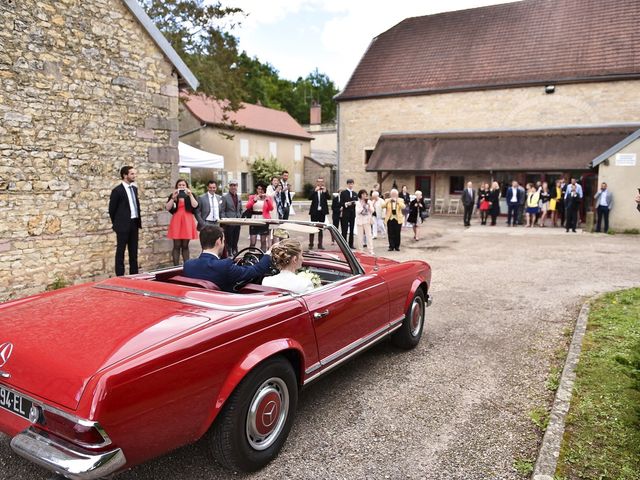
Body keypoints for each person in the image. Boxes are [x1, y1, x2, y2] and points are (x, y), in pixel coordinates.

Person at [183, 225, 272, 292]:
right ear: (218, 241)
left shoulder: (188, 265)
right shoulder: (224, 266)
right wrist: (269, 253)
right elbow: (256, 270)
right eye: (224, 241)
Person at [109, 166, 141, 276]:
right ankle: (120, 276)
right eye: (132, 174)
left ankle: (134, 275)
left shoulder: (134, 189)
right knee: (120, 252)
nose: (134, 176)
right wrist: (117, 224)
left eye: (134, 173)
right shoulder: (117, 191)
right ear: (125, 175)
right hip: (122, 225)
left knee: (133, 252)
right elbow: (112, 210)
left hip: (134, 223)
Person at [166, 179, 199, 265]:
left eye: (183, 185)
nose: (181, 186)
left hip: (187, 220)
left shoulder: (190, 195)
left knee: (185, 246)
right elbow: (168, 207)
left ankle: (186, 266)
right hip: (177, 220)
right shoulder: (173, 195)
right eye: (179, 185)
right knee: (176, 245)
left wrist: (190, 195)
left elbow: (195, 205)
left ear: (187, 186)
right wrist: (173, 198)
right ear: (177, 186)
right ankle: (175, 267)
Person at [246, 183, 274, 250]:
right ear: (256, 189)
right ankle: (251, 255)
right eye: (259, 189)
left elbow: (271, 208)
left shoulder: (268, 197)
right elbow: (248, 206)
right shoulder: (252, 197)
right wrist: (254, 200)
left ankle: (262, 257)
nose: (260, 191)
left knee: (263, 241)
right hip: (254, 219)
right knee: (253, 241)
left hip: (263, 219)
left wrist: (267, 199)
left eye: (261, 189)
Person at [220, 179, 243, 257]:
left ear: (237, 186)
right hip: (228, 222)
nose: (233, 187)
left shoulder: (239, 197)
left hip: (237, 222)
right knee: (229, 239)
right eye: (232, 185)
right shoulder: (225, 197)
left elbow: (240, 209)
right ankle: (229, 252)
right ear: (229, 186)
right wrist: (225, 222)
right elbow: (222, 211)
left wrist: (240, 217)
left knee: (236, 238)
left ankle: (235, 250)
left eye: (235, 185)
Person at [308, 177, 329, 249]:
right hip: (314, 212)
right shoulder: (313, 190)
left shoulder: (324, 190)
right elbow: (309, 198)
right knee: (312, 228)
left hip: (322, 212)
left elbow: (329, 198)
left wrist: (325, 192)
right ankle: (311, 244)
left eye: (322, 182)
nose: (320, 183)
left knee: (321, 228)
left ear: (323, 183)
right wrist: (314, 191)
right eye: (319, 182)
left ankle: (320, 244)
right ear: (317, 183)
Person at [355, 189, 374, 255]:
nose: (364, 195)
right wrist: (363, 206)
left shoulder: (369, 202)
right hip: (360, 221)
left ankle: (370, 250)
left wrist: (368, 206)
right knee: (360, 236)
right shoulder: (358, 202)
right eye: (362, 194)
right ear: (360, 195)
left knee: (369, 235)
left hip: (367, 220)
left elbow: (372, 210)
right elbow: (358, 211)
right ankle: (360, 250)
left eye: (365, 194)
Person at [340, 179, 357, 248]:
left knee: (352, 229)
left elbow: (357, 203)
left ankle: (351, 244)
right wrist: (346, 204)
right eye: (349, 184)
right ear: (347, 184)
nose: (350, 185)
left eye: (352, 184)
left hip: (352, 213)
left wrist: (354, 203)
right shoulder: (343, 193)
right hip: (345, 212)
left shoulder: (355, 193)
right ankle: (344, 244)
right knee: (345, 229)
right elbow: (341, 203)